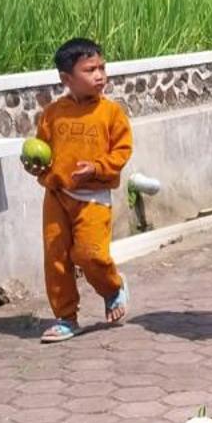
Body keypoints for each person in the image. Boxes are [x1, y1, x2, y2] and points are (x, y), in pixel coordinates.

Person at [23, 38, 133, 343]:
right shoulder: (53, 113)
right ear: (66, 79)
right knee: (55, 256)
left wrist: (97, 168)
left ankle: (112, 287)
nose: (99, 75)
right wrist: (35, 166)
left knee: (89, 254)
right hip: (57, 193)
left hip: (93, 199)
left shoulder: (111, 114)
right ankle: (66, 317)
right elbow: (41, 150)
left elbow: (122, 151)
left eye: (102, 67)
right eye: (90, 69)